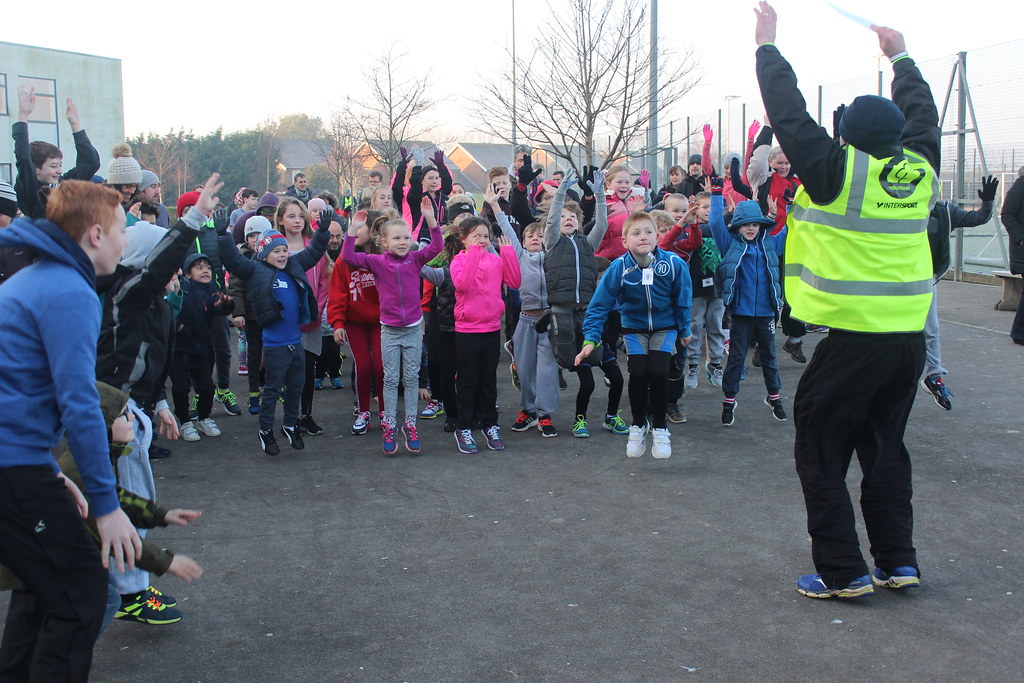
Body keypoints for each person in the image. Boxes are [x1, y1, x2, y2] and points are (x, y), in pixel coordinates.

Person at [754, 3, 941, 598]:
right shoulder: (921, 172)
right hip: (907, 343)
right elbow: (925, 119)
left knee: (819, 450)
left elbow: (787, 112)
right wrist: (902, 56)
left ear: (847, 137)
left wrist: (767, 44)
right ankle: (898, 562)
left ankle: (842, 571)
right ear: (897, 140)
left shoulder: (837, 173)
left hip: (852, 343)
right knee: (886, 451)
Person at [0, 180, 141, 680]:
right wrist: (106, 507)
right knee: (81, 592)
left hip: (18, 463)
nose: (126, 242)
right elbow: (80, 405)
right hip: (12, 466)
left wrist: (44, 470)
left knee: (43, 590)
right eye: (123, 230)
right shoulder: (66, 289)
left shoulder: (41, 279)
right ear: (97, 235)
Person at [576, 211, 692, 459]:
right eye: (636, 233)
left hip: (665, 327)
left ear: (657, 237)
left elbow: (683, 300)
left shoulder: (673, 264)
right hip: (634, 328)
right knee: (638, 372)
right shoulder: (619, 268)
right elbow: (599, 305)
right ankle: (639, 424)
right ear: (625, 241)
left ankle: (660, 426)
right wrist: (590, 338)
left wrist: (684, 329)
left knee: (659, 371)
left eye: (648, 232)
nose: (643, 237)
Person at [218, 209, 331, 456]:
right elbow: (232, 261)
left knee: (296, 386)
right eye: (275, 251)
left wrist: (322, 232)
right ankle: (266, 429)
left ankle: (291, 424)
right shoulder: (255, 270)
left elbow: (313, 253)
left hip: (295, 341)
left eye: (283, 250)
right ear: (263, 254)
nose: (282, 255)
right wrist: (222, 236)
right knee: (272, 389)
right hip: (274, 344)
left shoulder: (294, 264)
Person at [341, 202, 443, 455]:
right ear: (384, 242)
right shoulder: (377, 262)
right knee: (389, 379)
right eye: (397, 238)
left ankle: (410, 424)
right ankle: (389, 425)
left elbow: (437, 247)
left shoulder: (416, 259)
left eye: (406, 237)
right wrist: (352, 230)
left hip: (412, 330)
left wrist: (430, 219)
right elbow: (348, 257)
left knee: (410, 379)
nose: (403, 241)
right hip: (389, 330)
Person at [708, 186, 787, 426]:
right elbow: (714, 222)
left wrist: (789, 207)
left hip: (766, 313)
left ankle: (775, 399)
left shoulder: (771, 244)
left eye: (755, 224)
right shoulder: (728, 244)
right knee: (736, 359)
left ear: (762, 225)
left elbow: (791, 228)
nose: (751, 228)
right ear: (736, 226)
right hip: (740, 313)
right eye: (745, 224)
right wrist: (715, 195)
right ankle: (729, 401)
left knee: (770, 357)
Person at [921, 176, 997, 409]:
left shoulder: (943, 211)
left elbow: (980, 217)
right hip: (888, 278)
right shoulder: (889, 205)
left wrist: (988, 202)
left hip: (924, 279)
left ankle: (933, 376)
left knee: (930, 329)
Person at [450, 219, 522, 454]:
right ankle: (464, 426)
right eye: (476, 236)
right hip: (467, 331)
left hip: (491, 328)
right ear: (464, 240)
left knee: (488, 381)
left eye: (485, 236)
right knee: (467, 381)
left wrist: (508, 252)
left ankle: (490, 424)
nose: (482, 240)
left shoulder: (495, 260)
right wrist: (473, 254)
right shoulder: (459, 261)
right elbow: (463, 284)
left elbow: (514, 281)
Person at [329, 211, 386, 435]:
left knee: (382, 367)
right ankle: (363, 411)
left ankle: (384, 411)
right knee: (363, 367)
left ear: (372, 231)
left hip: (382, 322)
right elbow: (338, 293)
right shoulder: (346, 258)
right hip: (355, 322)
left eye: (359, 227)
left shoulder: (384, 257)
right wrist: (338, 323)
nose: (354, 231)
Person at [169, 253, 234, 442]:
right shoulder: (181, 290)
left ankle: (204, 418)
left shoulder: (211, 292)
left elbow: (218, 309)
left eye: (207, 267)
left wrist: (228, 305)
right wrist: (176, 325)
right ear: (187, 274)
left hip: (201, 349)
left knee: (206, 387)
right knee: (181, 388)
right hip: (179, 349)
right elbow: (168, 310)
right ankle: (185, 421)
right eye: (199, 268)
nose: (205, 270)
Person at [12, 87, 101, 220]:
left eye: (60, 165)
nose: (59, 171)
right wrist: (23, 115)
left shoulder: (65, 185)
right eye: (53, 166)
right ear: (36, 169)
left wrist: (75, 126)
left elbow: (91, 164)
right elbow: (23, 158)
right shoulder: (31, 189)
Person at [999, 167, 1024, 345]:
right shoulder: (1021, 184)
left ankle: (1019, 333)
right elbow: (1007, 214)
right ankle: (1019, 333)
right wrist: (1021, 238)